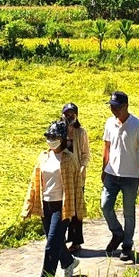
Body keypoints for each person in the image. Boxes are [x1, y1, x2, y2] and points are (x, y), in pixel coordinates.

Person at [21, 120, 82, 277]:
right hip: (45, 205)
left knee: (51, 245)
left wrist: (78, 210)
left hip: (61, 207)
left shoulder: (69, 159)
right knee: (55, 241)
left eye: (54, 137)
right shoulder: (43, 157)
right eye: (48, 137)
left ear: (62, 139)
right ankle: (69, 262)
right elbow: (34, 183)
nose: (50, 140)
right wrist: (28, 205)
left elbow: (77, 186)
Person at [101, 91, 139, 263]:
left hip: (130, 176)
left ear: (126, 106)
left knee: (129, 212)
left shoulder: (137, 125)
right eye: (112, 107)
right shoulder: (109, 123)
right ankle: (117, 233)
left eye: (117, 108)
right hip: (111, 173)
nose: (114, 110)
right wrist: (103, 168)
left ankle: (127, 245)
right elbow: (106, 146)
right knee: (105, 206)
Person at [60, 103, 90, 254]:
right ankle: (62, 239)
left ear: (76, 115)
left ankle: (76, 241)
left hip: (77, 176)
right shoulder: (59, 131)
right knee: (63, 207)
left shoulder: (81, 132)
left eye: (72, 113)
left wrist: (83, 167)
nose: (69, 116)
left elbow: (85, 154)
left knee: (77, 209)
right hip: (62, 175)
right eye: (67, 114)